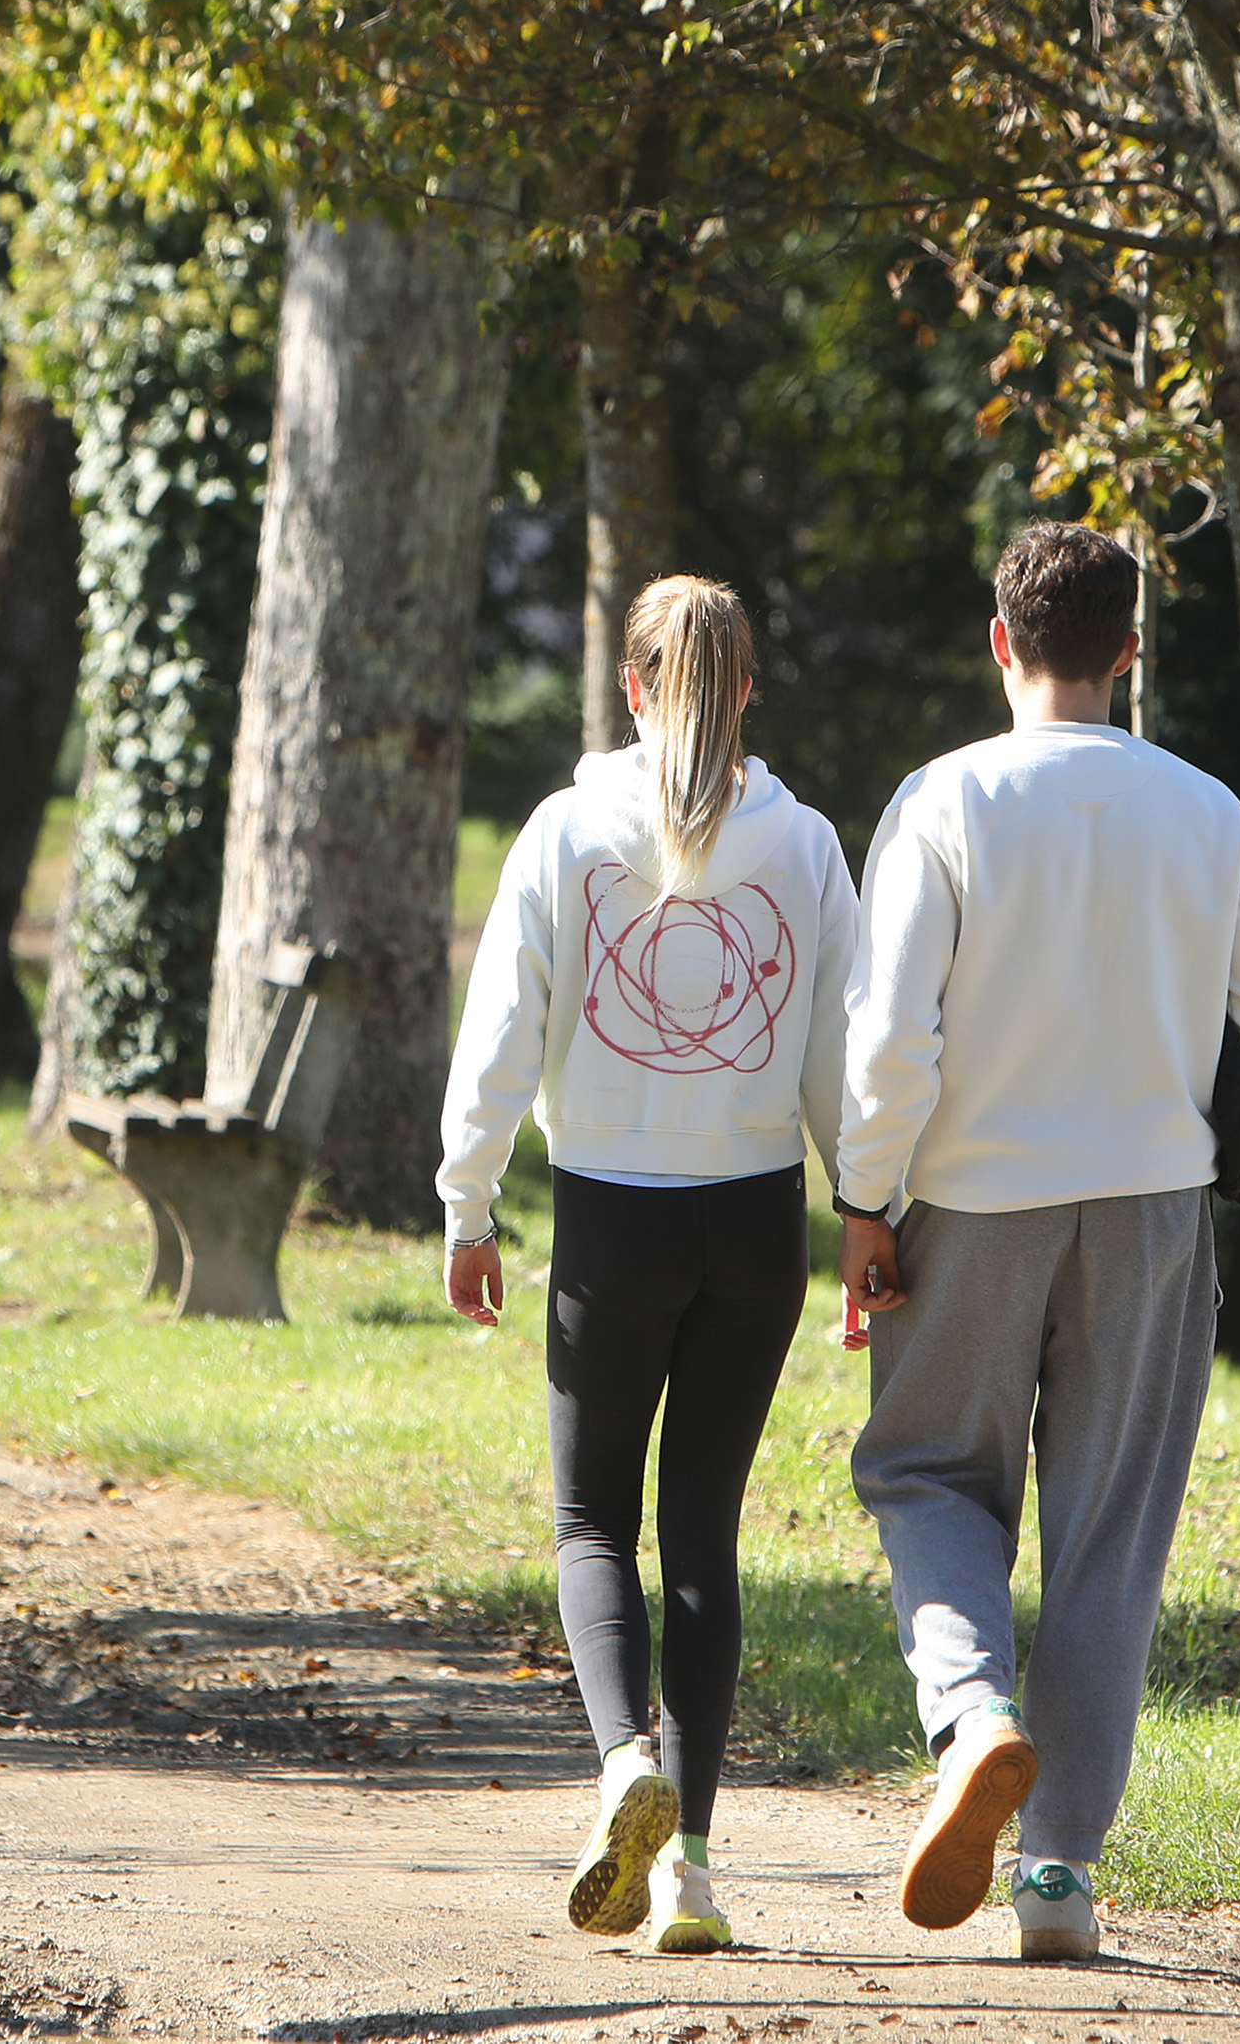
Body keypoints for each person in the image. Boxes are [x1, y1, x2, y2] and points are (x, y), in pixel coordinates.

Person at [833, 522, 1240, 1956]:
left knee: (925, 1473)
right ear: (1128, 651)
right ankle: (1058, 1880)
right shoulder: (1207, 810)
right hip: (1156, 1215)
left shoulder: (943, 801)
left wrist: (867, 1200)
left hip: (969, 1208)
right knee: (1110, 1533)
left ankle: (976, 1713)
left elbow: (887, 1042)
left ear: (1000, 642)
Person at [437, 576, 862, 1956]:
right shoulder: (802, 846)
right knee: (706, 1541)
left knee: (589, 1522)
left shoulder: (568, 832)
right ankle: (690, 1870)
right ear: (747, 689)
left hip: (609, 1223)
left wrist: (468, 1200)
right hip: (753, 1229)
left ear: (631, 687)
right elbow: (839, 1061)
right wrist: (870, 1208)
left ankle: (626, 1760)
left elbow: (503, 1025)